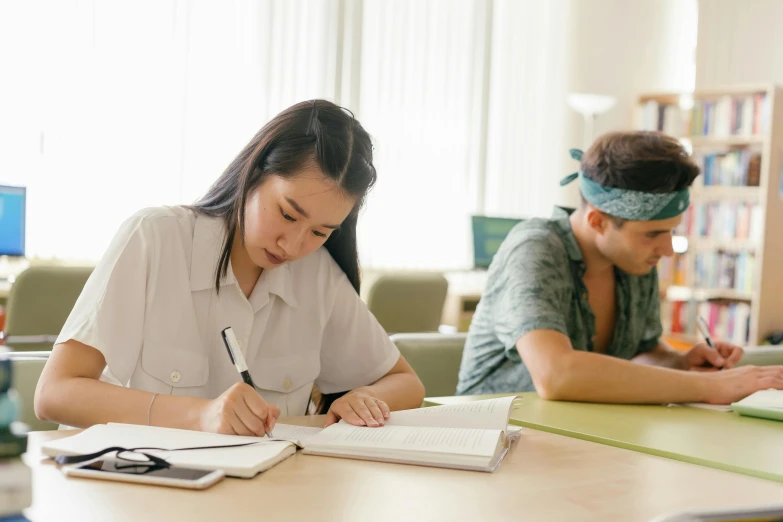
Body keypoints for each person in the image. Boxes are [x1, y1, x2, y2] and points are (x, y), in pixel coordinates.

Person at [35, 100, 425, 435]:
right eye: (288, 214)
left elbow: (406, 383)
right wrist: (201, 416)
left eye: (320, 232)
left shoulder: (316, 274)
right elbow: (55, 393)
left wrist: (364, 399)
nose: (293, 246)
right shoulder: (156, 237)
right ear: (253, 173)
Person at [457, 131, 783, 404]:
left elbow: (642, 353)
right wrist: (715, 387)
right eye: (653, 234)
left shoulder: (632, 259)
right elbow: (556, 375)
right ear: (597, 221)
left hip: (585, 436)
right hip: (491, 439)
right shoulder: (534, 248)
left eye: (670, 231)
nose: (668, 249)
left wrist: (682, 362)